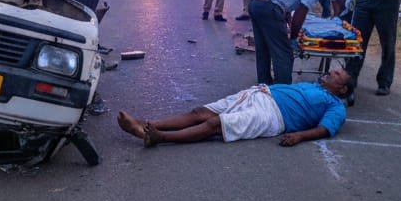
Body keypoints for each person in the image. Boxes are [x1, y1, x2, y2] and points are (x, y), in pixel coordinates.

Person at [117, 68, 354, 147]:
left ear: (342, 89)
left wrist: (299, 136)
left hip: (272, 115)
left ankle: (160, 137)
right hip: (260, 93)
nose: (329, 73)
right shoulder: (315, 85)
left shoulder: (336, 107)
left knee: (215, 125)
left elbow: (324, 129)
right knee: (200, 112)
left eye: (336, 74)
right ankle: (143, 124)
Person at [247, 0, 347, 85]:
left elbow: (287, 3)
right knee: (284, 53)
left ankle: (264, 85)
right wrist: (293, 37)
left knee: (263, 48)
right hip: (269, 7)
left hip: (255, 3)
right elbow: (302, 10)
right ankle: (283, 91)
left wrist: (289, 24)